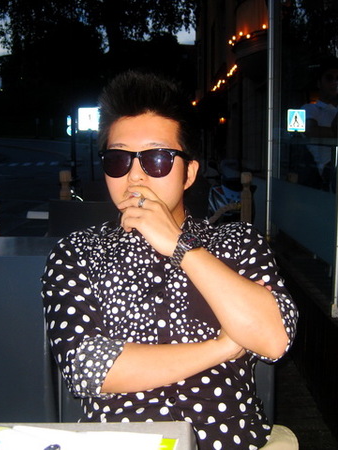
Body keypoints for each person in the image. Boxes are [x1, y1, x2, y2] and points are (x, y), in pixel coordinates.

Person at [41, 71, 298, 449]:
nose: (135, 176)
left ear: (189, 173)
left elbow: (273, 339)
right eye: (118, 159)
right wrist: (222, 347)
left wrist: (180, 246)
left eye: (157, 158)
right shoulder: (78, 252)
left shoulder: (238, 242)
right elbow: (89, 369)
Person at [299, 57, 338, 189]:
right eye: (329, 79)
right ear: (319, 83)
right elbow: (311, 130)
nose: (335, 83)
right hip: (325, 171)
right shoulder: (310, 108)